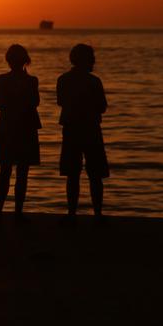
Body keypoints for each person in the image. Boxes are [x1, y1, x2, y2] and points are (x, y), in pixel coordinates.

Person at [56, 43, 108, 223]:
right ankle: (98, 214)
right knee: (95, 174)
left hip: (71, 129)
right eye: (92, 58)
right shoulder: (94, 82)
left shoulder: (63, 80)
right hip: (91, 129)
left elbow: (60, 101)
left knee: (72, 174)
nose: (94, 61)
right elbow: (102, 107)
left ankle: (71, 214)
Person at [0, 44, 41, 219]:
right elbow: (35, 102)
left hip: (8, 127)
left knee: (5, 171)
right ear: (25, 61)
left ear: (8, 61)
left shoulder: (2, 80)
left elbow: (0, 105)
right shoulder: (32, 81)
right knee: (22, 172)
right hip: (25, 127)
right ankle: (18, 213)